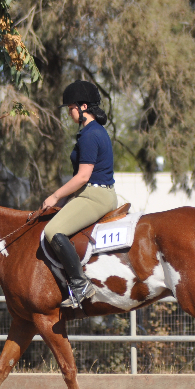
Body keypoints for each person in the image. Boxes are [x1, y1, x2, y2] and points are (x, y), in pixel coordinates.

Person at [42, 80, 117, 308]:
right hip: (93, 193)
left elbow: (83, 176)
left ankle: (80, 284)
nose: (69, 112)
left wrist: (55, 196)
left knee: (52, 230)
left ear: (83, 107)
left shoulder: (90, 135)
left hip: (94, 195)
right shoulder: (95, 131)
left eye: (71, 107)